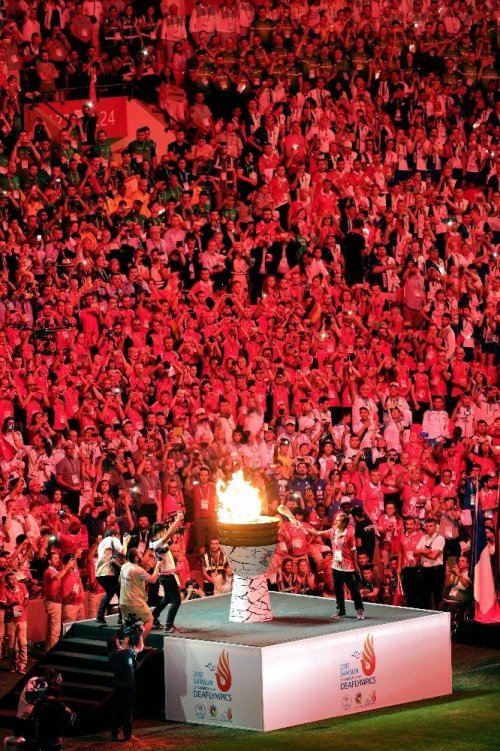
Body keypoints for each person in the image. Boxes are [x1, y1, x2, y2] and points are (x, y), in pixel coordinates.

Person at [309, 514, 365, 620]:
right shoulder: (332, 531)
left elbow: (353, 552)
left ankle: (359, 609)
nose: (335, 522)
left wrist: (356, 567)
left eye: (338, 520)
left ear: (344, 523)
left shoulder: (349, 535)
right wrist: (302, 527)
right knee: (338, 589)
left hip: (347, 567)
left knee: (353, 590)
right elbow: (317, 533)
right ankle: (341, 610)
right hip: (336, 566)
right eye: (336, 520)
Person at [108, 623, 144, 742]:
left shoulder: (111, 655)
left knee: (116, 709)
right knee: (128, 710)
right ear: (117, 643)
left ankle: (114, 733)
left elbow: (124, 646)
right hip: (128, 686)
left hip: (117, 685)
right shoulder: (126, 653)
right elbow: (140, 648)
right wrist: (140, 634)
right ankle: (127, 735)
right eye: (119, 640)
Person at [149, 512, 184, 633]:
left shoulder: (156, 543)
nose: (165, 533)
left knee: (168, 599)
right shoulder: (157, 543)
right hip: (167, 576)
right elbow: (169, 534)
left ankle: (153, 617)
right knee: (177, 600)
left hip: (165, 575)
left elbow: (170, 534)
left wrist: (175, 525)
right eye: (163, 531)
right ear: (158, 533)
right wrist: (178, 519)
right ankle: (169, 625)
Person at [119, 548, 161, 639]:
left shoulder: (124, 566)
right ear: (136, 558)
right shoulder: (138, 571)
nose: (142, 556)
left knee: (128, 624)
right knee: (149, 620)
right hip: (134, 601)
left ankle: (126, 646)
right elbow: (153, 580)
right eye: (140, 554)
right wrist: (158, 566)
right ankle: (139, 644)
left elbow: (120, 581)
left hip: (123, 600)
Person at [95, 527, 130, 626]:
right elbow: (123, 552)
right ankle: (121, 618)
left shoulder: (102, 543)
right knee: (119, 593)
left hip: (99, 573)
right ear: (116, 535)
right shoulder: (113, 539)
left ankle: (102, 616)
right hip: (108, 572)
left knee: (110, 592)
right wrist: (125, 541)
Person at [31, 679, 75, 751]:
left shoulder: (39, 703)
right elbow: (70, 713)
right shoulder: (59, 704)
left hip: (41, 733)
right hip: (55, 734)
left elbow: (33, 715)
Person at [414, 518, 446, 610]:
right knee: (424, 595)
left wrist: (421, 551)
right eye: (426, 526)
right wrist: (426, 551)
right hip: (425, 569)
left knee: (437, 594)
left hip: (436, 570)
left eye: (431, 526)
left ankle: (439, 615)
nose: (428, 528)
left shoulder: (440, 539)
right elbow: (414, 553)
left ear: (435, 527)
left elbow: (434, 556)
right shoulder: (424, 537)